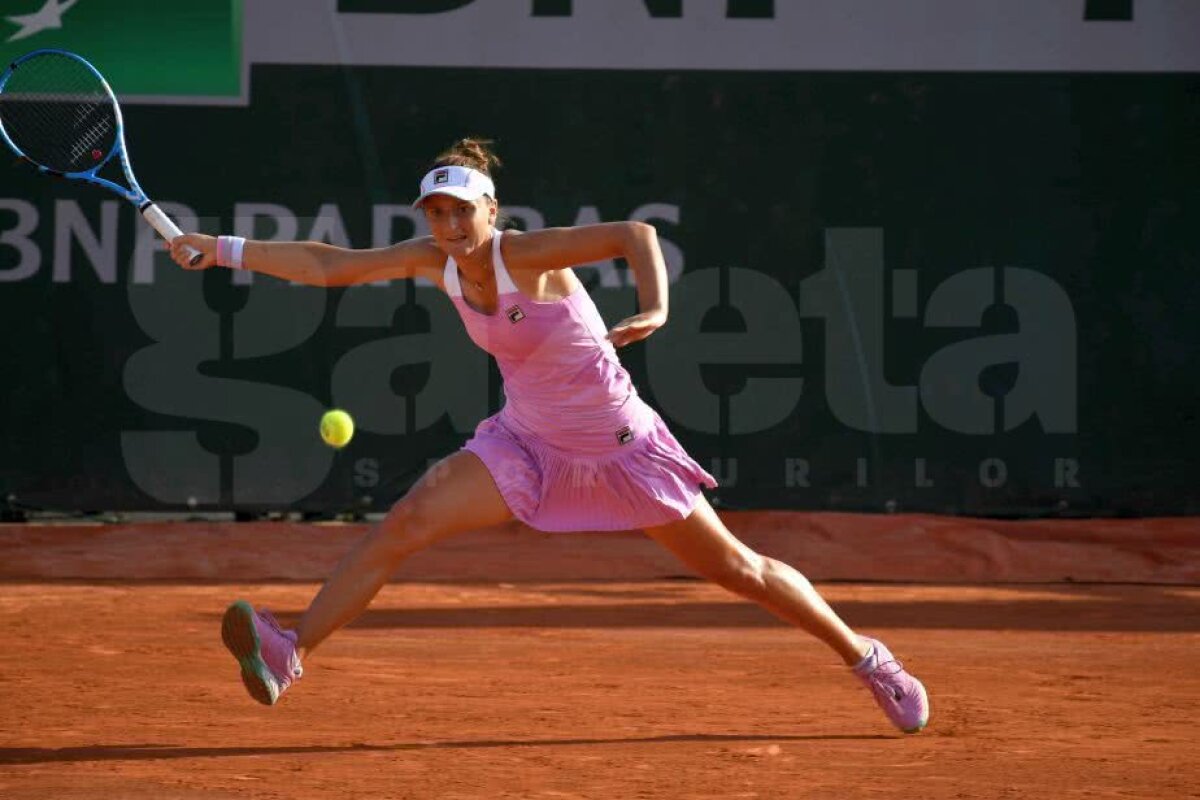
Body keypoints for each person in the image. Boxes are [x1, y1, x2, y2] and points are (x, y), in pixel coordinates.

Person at [167, 138, 929, 733]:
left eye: (462, 212)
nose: (449, 227)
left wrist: (657, 308)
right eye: (436, 214)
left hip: (622, 448)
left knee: (740, 568)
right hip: (525, 444)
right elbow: (330, 265)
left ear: (492, 210)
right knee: (406, 522)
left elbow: (635, 234)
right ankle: (290, 648)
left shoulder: (522, 255)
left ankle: (869, 659)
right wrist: (223, 248)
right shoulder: (435, 261)